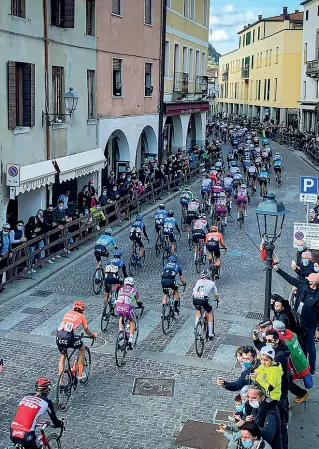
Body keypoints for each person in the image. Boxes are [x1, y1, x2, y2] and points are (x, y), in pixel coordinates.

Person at [274, 266, 319, 375]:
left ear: (314, 283)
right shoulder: (303, 285)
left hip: (309, 324)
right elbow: (290, 279)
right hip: (297, 321)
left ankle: (311, 368)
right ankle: (303, 367)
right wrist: (278, 269)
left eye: (309, 280)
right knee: (300, 345)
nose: (307, 280)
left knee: (311, 347)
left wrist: (318, 329)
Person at [10, 378, 63, 449]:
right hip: (27, 435)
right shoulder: (47, 402)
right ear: (46, 391)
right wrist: (60, 424)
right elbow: (55, 421)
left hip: (13, 431)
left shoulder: (26, 396)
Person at [56, 301, 97, 381]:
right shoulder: (82, 316)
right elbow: (87, 330)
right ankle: (80, 374)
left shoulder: (68, 312)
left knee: (63, 355)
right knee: (82, 347)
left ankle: (60, 379)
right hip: (68, 337)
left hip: (59, 336)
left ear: (74, 308)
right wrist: (92, 335)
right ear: (82, 310)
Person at [273, 320, 312, 403]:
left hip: (288, 366)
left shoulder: (284, 343)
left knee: (285, 384)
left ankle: (288, 402)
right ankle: (301, 393)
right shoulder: (292, 334)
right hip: (300, 360)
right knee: (287, 383)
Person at [115, 277, 144, 350]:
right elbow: (138, 301)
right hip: (127, 308)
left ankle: (121, 331)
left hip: (118, 307)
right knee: (132, 321)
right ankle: (130, 341)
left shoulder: (121, 289)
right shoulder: (134, 290)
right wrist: (141, 306)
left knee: (121, 317)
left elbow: (119, 297)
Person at [192, 269, 219, 339]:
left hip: (195, 298)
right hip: (203, 299)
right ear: (209, 276)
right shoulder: (212, 283)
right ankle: (210, 333)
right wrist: (217, 299)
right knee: (209, 311)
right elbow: (216, 295)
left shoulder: (198, 281)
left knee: (198, 310)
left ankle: (196, 326)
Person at [0, 223, 13, 291]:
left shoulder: (7, 235)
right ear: (3, 228)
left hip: (5, 256)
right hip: (1, 256)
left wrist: (10, 251)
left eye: (8, 229)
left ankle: (0, 285)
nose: (6, 230)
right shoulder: (0, 235)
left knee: (2, 270)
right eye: (5, 228)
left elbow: (9, 244)